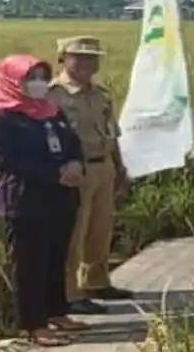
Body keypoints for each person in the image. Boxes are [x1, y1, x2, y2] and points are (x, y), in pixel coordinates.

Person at [0, 55, 85, 346]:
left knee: (55, 258)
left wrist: (75, 164)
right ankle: (33, 325)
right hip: (25, 202)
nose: (38, 83)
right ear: (12, 81)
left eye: (41, 76)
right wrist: (54, 174)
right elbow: (4, 159)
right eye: (31, 78)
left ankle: (56, 312)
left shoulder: (50, 111)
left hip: (61, 199)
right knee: (29, 263)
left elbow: (73, 144)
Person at [46, 36, 132, 317]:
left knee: (101, 228)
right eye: (79, 57)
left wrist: (119, 167)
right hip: (74, 171)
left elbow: (111, 133)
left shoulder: (101, 94)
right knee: (74, 232)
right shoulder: (53, 94)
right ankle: (71, 294)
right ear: (63, 58)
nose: (86, 63)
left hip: (103, 166)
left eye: (92, 57)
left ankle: (96, 282)